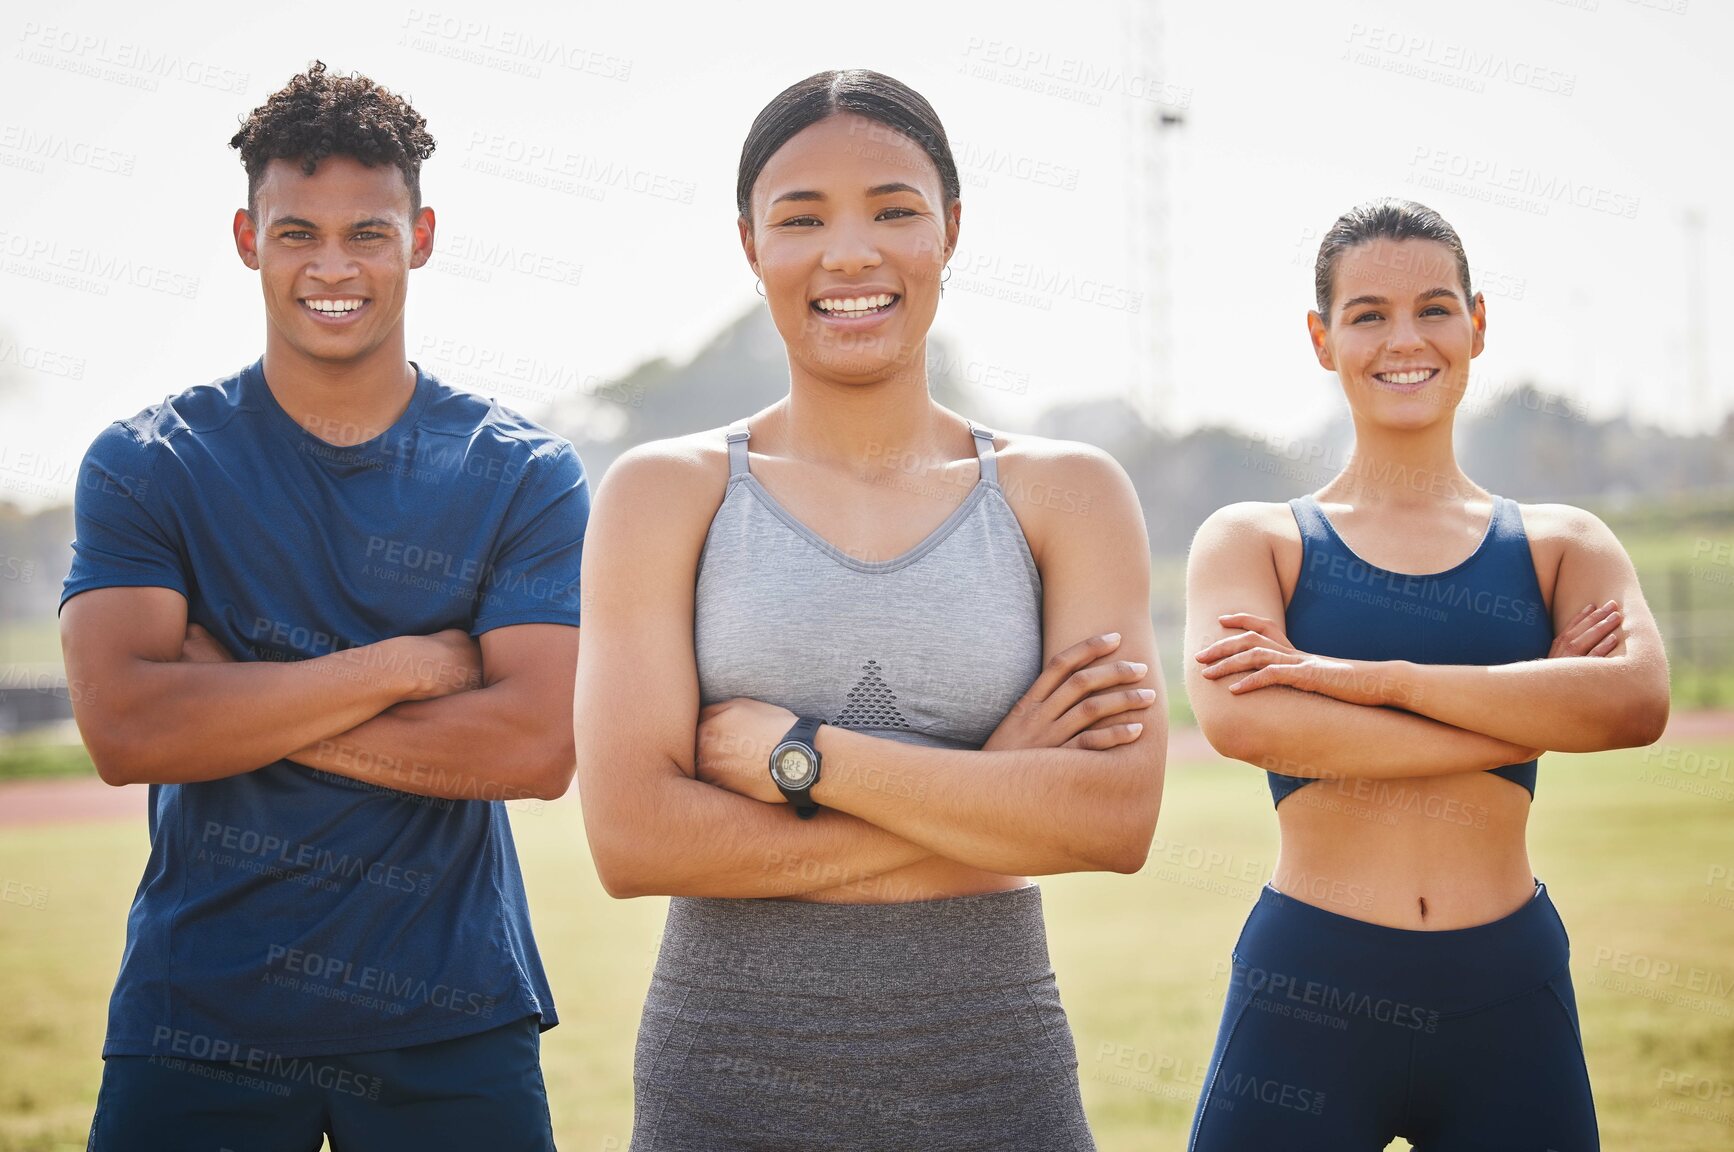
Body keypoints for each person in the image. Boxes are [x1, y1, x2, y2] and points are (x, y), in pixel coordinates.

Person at [572, 69, 1165, 1150]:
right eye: (802, 219)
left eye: (894, 210)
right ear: (750, 245)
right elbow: (633, 840)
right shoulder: (664, 494)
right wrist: (992, 790)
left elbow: (1114, 823)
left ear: (951, 231)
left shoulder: (1067, 492)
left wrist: (800, 759)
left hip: (995, 1081)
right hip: (726, 1087)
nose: (851, 253)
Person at [59, 62, 585, 1151]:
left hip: (454, 1017)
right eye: (298, 233)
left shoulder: (523, 472)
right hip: (197, 1014)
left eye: (369, 233)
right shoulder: (149, 463)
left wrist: (234, 703)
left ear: (422, 236)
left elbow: (534, 749)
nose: (332, 266)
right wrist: (394, 668)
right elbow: (127, 731)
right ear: (249, 240)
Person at [1182, 198, 1670, 1151]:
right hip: (1308, 986)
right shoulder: (1256, 539)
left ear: (1478, 324)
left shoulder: (1561, 542)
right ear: (1322, 339)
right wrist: (1537, 707)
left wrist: (1363, 677)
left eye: (1434, 308)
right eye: (1367, 314)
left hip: (1508, 988)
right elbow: (1255, 728)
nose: (1404, 339)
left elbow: (1634, 703)